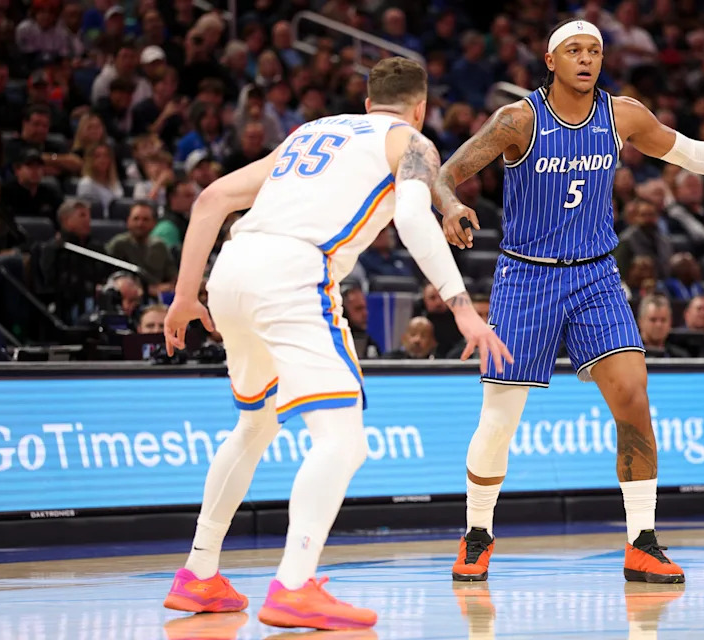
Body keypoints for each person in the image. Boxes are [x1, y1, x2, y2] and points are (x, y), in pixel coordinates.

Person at [432, 18, 704, 585]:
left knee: (633, 398)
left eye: (594, 51)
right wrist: (451, 205)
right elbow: (447, 173)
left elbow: (689, 152)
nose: (586, 59)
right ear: (550, 61)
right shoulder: (518, 120)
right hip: (526, 278)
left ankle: (642, 542)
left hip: (596, 277)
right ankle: (477, 533)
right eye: (573, 50)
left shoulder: (621, 114)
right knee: (499, 422)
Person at [160, 57, 510, 630]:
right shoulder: (411, 142)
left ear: (367, 104)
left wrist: (182, 296)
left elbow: (210, 201)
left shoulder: (310, 131)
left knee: (254, 426)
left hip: (231, 270)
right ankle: (295, 585)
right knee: (342, 441)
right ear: (420, 109)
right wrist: (463, 308)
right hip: (295, 273)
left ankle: (199, 572)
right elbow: (414, 221)